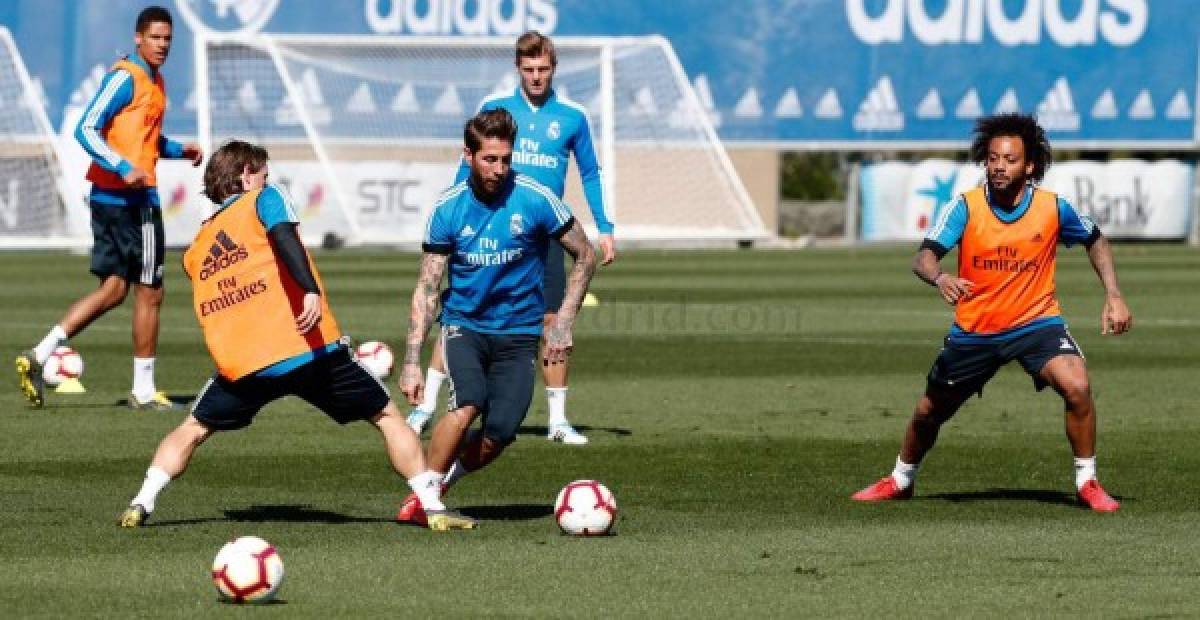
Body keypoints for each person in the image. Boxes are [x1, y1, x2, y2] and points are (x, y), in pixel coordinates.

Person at [117, 140, 475, 532]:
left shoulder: (196, 248)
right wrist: (308, 288)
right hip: (305, 347)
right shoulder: (264, 199)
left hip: (244, 363)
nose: (268, 180)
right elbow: (285, 236)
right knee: (386, 415)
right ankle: (432, 507)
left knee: (193, 428)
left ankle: (141, 502)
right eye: (264, 174)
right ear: (245, 175)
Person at [851, 113, 1132, 513]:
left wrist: (1114, 294)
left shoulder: (1054, 208)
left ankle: (1087, 482)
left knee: (1077, 386)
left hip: (1037, 323)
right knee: (929, 412)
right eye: (993, 158)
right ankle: (900, 479)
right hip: (976, 331)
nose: (999, 166)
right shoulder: (965, 207)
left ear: (1030, 165)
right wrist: (941, 278)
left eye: (1010, 159)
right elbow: (924, 257)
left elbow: (1096, 240)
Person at [405, 31, 615, 445]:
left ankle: (557, 420)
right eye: (529, 69)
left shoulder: (572, 116)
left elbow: (589, 172)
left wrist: (604, 227)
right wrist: (453, 211)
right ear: (518, 69)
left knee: (552, 320)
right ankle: (426, 405)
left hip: (544, 233)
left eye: (544, 69)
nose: (536, 76)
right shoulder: (494, 109)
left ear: (554, 69)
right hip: (487, 226)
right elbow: (465, 165)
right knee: (456, 315)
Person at [395, 108, 597, 526]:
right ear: (468, 155)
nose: (499, 168)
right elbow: (428, 288)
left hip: (519, 334)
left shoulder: (536, 198)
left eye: (506, 159)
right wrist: (413, 360)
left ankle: (439, 486)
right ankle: (428, 497)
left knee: (500, 432)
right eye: (490, 159)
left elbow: (585, 254)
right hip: (464, 327)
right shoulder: (448, 209)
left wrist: (563, 321)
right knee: (468, 403)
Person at [15, 6, 203, 410]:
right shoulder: (126, 76)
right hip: (132, 202)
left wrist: (176, 149)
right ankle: (144, 390)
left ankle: (41, 352)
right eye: (155, 38)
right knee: (150, 290)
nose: (163, 45)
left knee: (114, 290)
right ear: (138, 38)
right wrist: (122, 167)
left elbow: (141, 142)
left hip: (112, 198)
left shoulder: (156, 81)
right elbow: (87, 127)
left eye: (168, 39)